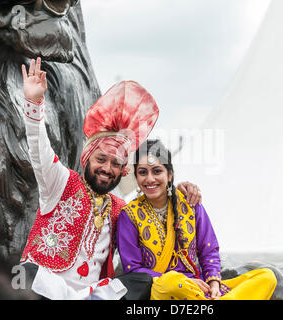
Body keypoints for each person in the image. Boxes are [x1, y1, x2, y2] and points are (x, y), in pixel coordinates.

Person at [19, 58, 202, 300]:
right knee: (22, 272)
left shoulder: (121, 210)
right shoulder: (60, 182)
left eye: (116, 163)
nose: (107, 168)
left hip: (90, 295)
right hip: (45, 287)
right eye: (101, 159)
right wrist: (34, 103)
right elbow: (38, 149)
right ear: (87, 158)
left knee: (141, 280)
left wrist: (175, 192)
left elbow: (154, 211)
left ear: (123, 170)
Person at [117, 139, 277, 300]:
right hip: (163, 290)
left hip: (199, 289)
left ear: (170, 175)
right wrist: (182, 280)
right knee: (171, 282)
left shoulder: (190, 203)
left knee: (267, 276)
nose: (150, 179)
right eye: (143, 172)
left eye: (157, 171)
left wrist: (214, 283)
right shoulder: (129, 215)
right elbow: (133, 269)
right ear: (136, 177)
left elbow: (209, 250)